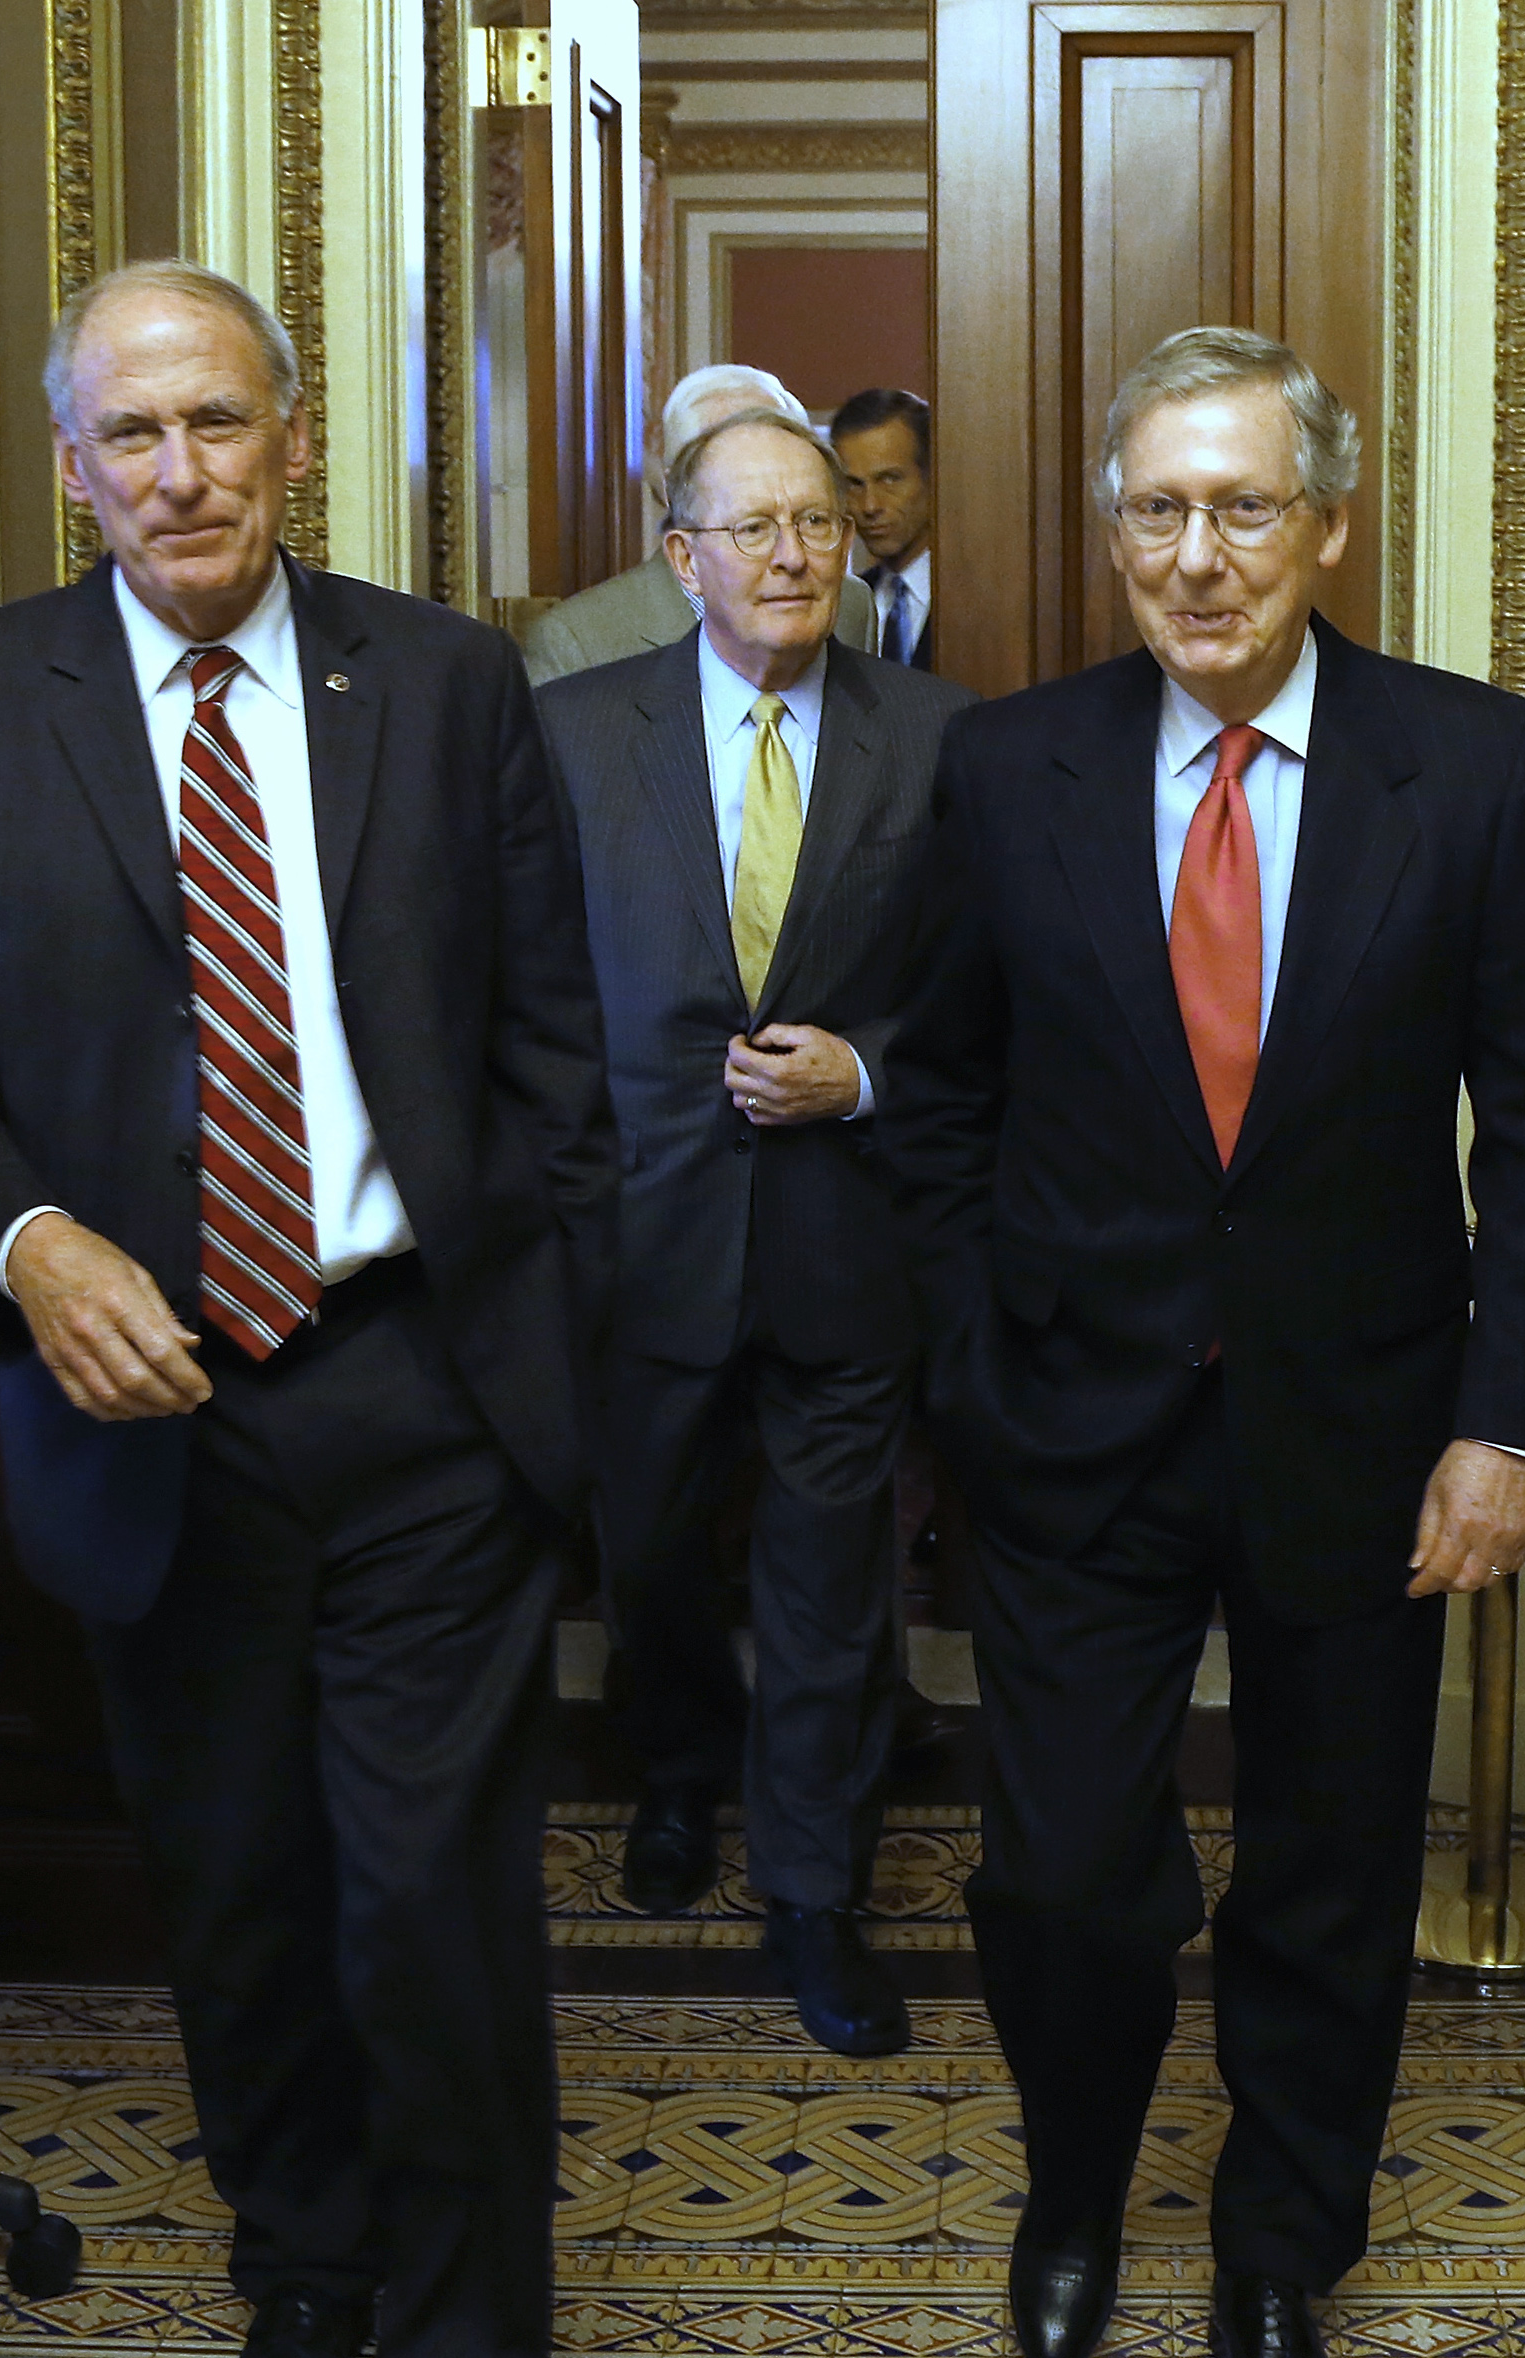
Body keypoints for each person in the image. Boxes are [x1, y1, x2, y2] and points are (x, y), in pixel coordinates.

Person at [0, 260, 611, 2358]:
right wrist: (31, 1234)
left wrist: (529, 1341)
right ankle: (305, 2273)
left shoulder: (450, 689)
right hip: (140, 1411)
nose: (182, 472)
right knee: (244, 1892)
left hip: (423, 1394)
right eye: (134, 435)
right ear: (71, 468)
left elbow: (559, 1051)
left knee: (430, 1898)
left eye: (219, 423)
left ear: (294, 436)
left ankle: (464, 2350)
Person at [880, 327, 1525, 2358]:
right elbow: (935, 1097)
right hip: (1073, 1434)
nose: (1199, 557)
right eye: (1158, 513)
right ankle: (1077, 2180)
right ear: (1114, 535)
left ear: (1329, 526)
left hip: (1367, 1434)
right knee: (1067, 1876)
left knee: (1324, 1871)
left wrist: (1509, 1425)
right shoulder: (1010, 767)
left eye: (1244, 508)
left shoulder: (1465, 763)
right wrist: (971, 1360)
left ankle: (1279, 2250)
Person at [535, 409, 975, 2053]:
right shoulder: (575, 734)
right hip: (636, 1234)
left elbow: (1000, 998)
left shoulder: (938, 736)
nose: (796, 554)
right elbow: (519, 989)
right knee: (646, 1551)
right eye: (755, 528)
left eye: (818, 523)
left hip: (845, 1238)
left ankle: (814, 1890)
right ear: (682, 558)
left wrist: (866, 1072)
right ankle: (671, 1774)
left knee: (827, 1590)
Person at [521, 362, 872, 684]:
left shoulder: (850, 606)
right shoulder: (578, 643)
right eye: (752, 526)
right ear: (673, 490)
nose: (791, 557)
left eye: (811, 519)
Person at [832, 386, 934, 670]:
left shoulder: (979, 595)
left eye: (889, 479)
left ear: (933, 476)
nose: (869, 506)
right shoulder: (846, 602)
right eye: (854, 484)